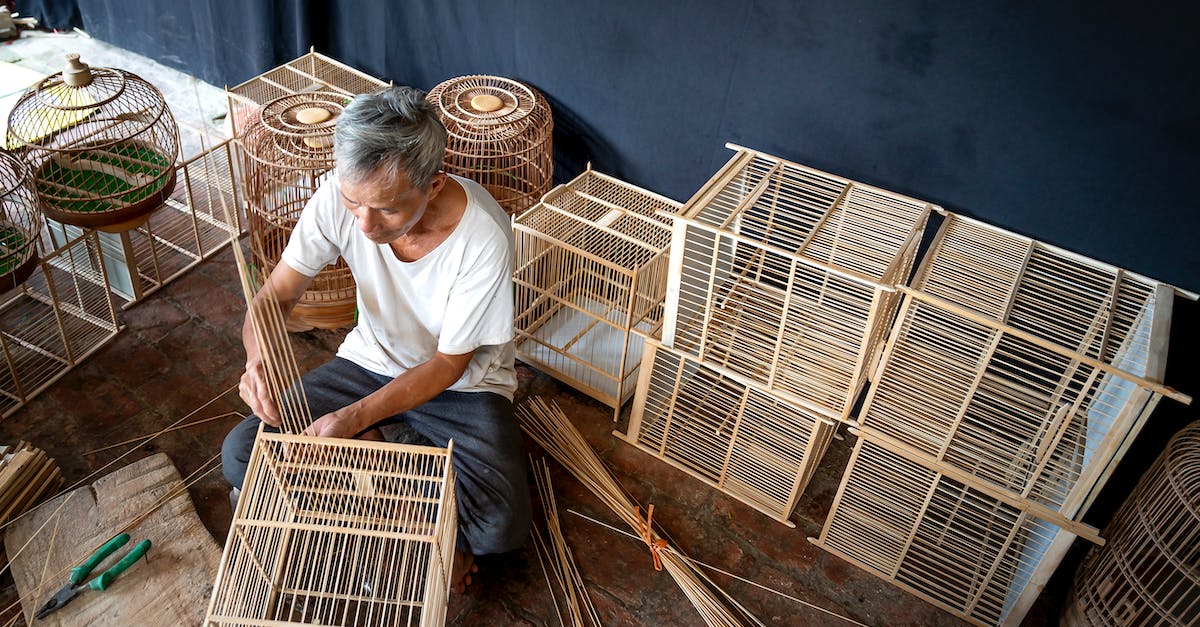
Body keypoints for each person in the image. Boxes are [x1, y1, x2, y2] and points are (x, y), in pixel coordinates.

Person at [220, 85, 531, 591]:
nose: (363, 222)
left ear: (434, 185)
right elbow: (272, 299)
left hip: (461, 388)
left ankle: (374, 454)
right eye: (352, 201)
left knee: (501, 525)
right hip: (369, 365)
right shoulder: (340, 199)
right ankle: (409, 504)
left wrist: (356, 417)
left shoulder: (482, 236)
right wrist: (256, 359)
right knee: (242, 455)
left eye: (385, 209)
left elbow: (449, 364)